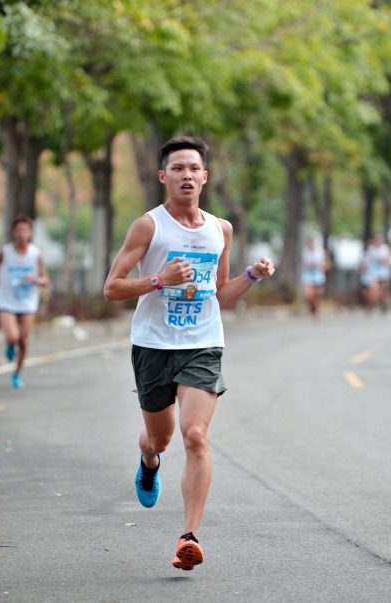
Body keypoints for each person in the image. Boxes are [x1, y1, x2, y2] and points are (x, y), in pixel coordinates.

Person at [104, 136, 275, 571]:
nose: (187, 175)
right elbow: (111, 289)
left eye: (194, 168)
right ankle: (149, 460)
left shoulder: (221, 229)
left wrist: (252, 275)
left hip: (202, 344)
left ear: (205, 176)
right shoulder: (149, 226)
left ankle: (189, 537)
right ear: (163, 176)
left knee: (195, 435)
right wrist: (158, 280)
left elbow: (219, 295)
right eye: (177, 168)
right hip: (153, 345)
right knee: (159, 438)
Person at [0, 214, 49, 388]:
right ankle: (10, 344)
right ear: (13, 233)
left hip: (27, 302)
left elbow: (45, 280)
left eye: (25, 230)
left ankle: (16, 373)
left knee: (23, 340)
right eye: (18, 230)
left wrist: (34, 279)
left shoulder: (36, 254)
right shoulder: (5, 251)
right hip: (7, 300)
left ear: (30, 233)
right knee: (12, 336)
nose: (21, 233)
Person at [301, 235, 331, 320]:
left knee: (317, 295)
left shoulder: (322, 252)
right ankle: (312, 309)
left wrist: (321, 266)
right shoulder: (305, 252)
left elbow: (328, 264)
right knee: (308, 294)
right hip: (308, 276)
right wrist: (308, 265)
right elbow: (301, 263)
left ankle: (314, 310)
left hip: (318, 276)